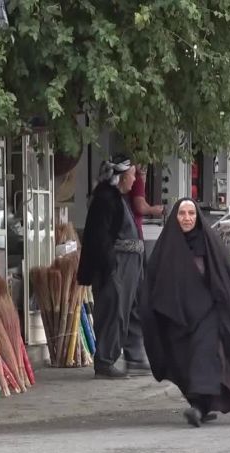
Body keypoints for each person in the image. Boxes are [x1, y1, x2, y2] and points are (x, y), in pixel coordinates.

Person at [142, 200, 230, 427]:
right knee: (185, 363)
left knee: (205, 358)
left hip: (208, 315)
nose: (187, 218)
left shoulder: (209, 244)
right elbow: (153, 284)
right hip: (178, 320)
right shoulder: (167, 248)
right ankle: (202, 404)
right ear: (175, 217)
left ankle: (200, 408)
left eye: (191, 213)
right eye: (182, 213)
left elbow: (227, 273)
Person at [77, 153, 150, 379]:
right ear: (119, 177)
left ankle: (135, 357)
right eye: (131, 175)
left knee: (132, 311)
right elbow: (99, 238)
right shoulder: (105, 199)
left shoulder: (118, 198)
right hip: (116, 267)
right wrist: (110, 269)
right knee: (113, 312)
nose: (134, 179)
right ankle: (105, 362)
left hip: (129, 267)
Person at [128, 164, 166, 240]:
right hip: (133, 228)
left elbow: (142, 202)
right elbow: (140, 207)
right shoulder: (137, 180)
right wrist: (153, 210)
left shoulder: (134, 179)